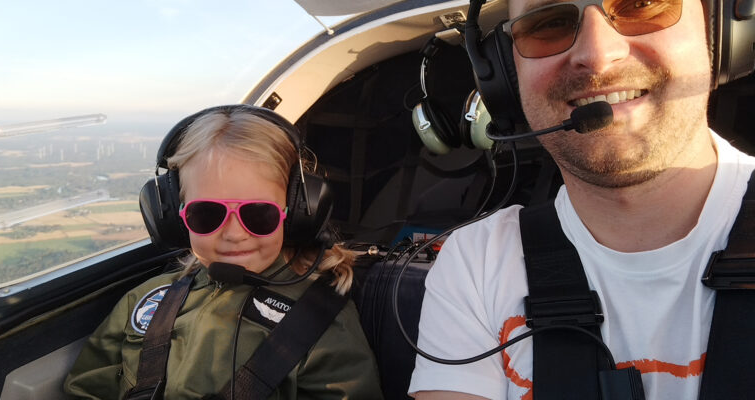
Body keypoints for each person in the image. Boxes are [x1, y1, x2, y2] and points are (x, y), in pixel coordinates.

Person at [410, 0, 755, 399]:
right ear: (505, 71)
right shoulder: (478, 262)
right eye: (550, 22)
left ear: (720, 30)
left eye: (641, 5)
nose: (597, 55)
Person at [64, 105, 383, 399]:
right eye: (207, 214)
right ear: (174, 216)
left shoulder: (320, 320)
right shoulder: (146, 300)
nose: (234, 234)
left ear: (297, 213)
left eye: (259, 214)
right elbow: (87, 389)